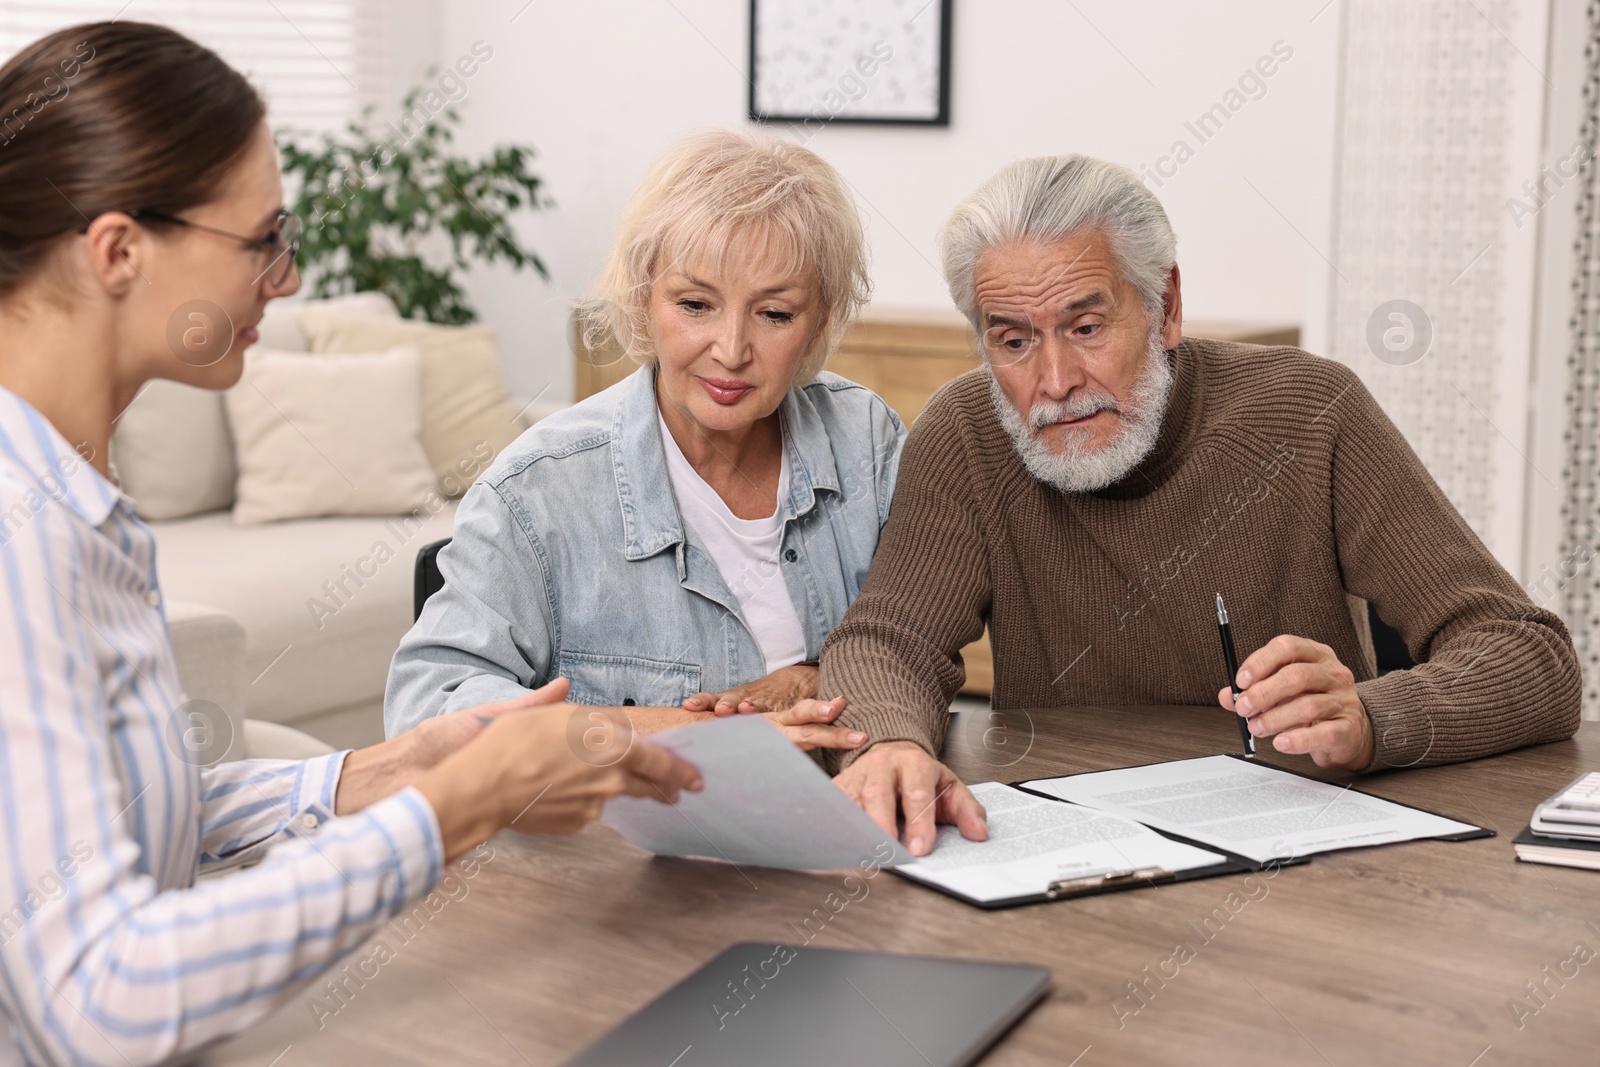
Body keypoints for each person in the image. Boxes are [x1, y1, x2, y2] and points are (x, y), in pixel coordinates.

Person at [0, 23, 701, 1067]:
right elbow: (99, 998)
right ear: (117, 251)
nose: (284, 280)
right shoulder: (25, 539)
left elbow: (114, 827)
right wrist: (454, 804)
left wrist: (380, 771)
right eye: (263, 240)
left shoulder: (77, 500)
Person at [818, 154, 1582, 856]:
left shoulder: (1311, 409)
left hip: (1304, 858)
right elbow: (888, 641)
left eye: (1085, 328)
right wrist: (890, 741)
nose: (1053, 382)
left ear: (1166, 305)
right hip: (1072, 850)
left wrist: (1374, 717)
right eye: (1013, 342)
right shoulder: (966, 430)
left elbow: (1531, 655)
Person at [385, 130, 904, 755]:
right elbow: (426, 712)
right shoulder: (538, 489)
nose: (732, 350)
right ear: (642, 298)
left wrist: (812, 677)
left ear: (819, 319)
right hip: (628, 843)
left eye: (774, 314)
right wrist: (693, 735)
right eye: (695, 304)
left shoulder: (866, 441)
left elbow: (922, 644)